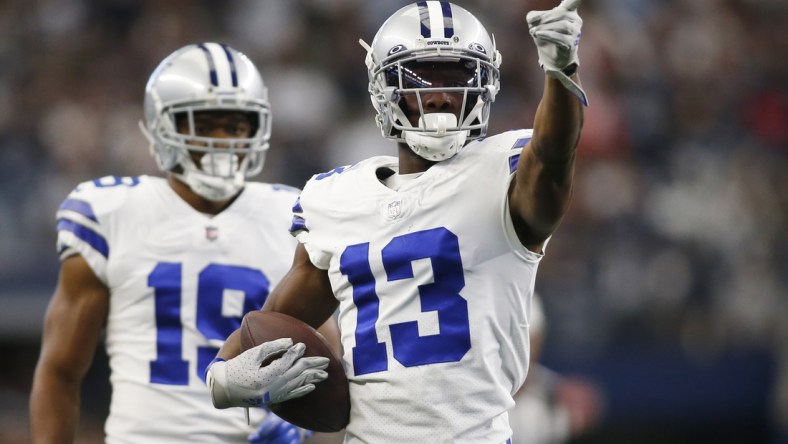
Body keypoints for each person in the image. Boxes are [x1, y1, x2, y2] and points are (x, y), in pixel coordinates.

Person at [207, 1, 586, 442]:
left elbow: (555, 152)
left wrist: (561, 72)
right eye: (422, 78)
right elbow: (270, 323)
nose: (443, 96)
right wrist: (223, 379)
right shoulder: (336, 199)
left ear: (485, 85)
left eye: (459, 77)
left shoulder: (504, 171)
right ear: (384, 88)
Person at [29, 42, 336, 443]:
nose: (222, 141)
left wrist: (300, 416)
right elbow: (60, 370)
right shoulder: (110, 212)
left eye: (237, 125)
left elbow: (332, 360)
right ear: (163, 125)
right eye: (204, 124)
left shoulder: (294, 213)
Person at [509, 294, 604, 443]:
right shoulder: (480, 377)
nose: (525, 347)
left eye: (531, 339)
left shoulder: (551, 394)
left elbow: (586, 405)